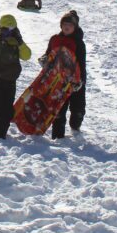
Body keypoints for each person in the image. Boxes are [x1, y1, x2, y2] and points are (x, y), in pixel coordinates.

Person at [0, 14, 31, 139]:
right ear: (0, 28)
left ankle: (2, 133)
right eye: (6, 29)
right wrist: (1, 41)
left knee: (8, 110)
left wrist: (20, 42)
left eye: (12, 30)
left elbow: (27, 56)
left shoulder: (16, 42)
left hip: (10, 80)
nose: (9, 33)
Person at [47, 10, 86, 139]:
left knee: (78, 109)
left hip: (76, 80)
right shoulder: (55, 39)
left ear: (75, 27)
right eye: (64, 24)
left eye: (69, 25)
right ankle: (58, 137)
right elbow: (49, 54)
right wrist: (46, 60)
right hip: (59, 79)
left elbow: (81, 63)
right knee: (59, 108)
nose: (66, 27)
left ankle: (75, 127)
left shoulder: (79, 43)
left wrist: (80, 81)